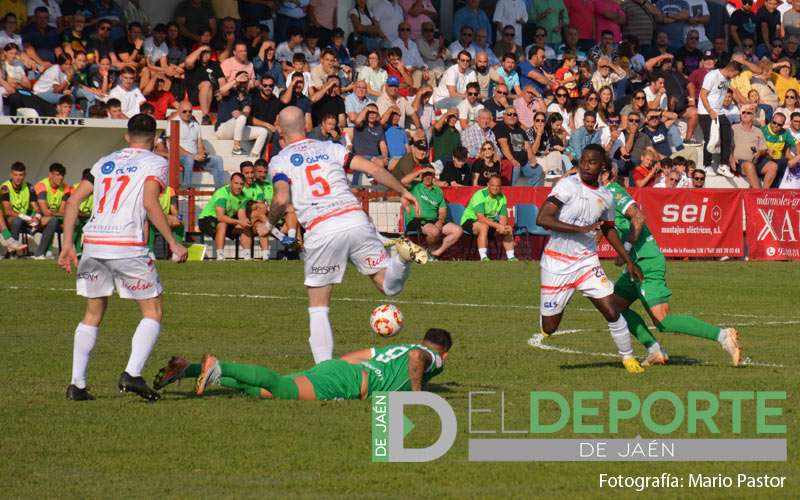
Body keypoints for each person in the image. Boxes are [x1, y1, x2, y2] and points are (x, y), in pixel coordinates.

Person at [267, 106, 427, 364]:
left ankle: (325, 373)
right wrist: (402, 191)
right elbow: (373, 169)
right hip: (355, 218)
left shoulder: (280, 160)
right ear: (306, 126)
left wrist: (268, 222)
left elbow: (282, 196)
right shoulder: (331, 147)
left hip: (322, 227)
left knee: (318, 305)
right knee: (387, 286)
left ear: (280, 130)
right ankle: (399, 258)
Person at [58, 114, 188, 401]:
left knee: (92, 313)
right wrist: (173, 243)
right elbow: (150, 202)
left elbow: (72, 202)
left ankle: (77, 385)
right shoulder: (156, 162)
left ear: (127, 137)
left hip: (93, 243)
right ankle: (132, 373)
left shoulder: (104, 161)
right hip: (126, 243)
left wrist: (67, 243)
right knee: (152, 311)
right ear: (154, 139)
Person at [600, 166, 742, 366]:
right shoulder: (599, 197)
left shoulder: (613, 191)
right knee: (614, 307)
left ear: (605, 174)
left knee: (663, 321)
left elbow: (638, 218)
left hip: (646, 262)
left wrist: (625, 249)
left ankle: (723, 335)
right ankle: (655, 350)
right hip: (634, 263)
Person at [535, 144, 645, 374]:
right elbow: (543, 218)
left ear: (602, 167)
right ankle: (562, 300)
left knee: (612, 310)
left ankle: (628, 357)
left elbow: (608, 229)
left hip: (586, 262)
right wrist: (580, 228)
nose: (585, 165)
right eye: (583, 160)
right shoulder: (567, 185)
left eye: (592, 162)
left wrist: (627, 259)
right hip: (557, 263)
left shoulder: (606, 196)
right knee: (550, 327)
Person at [153, 328, 452, 400]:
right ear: (444, 353)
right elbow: (418, 360)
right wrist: (417, 395)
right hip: (348, 382)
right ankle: (219, 367)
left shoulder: (402, 345)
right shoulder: (432, 358)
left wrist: (331, 370)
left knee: (262, 392)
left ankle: (188, 368)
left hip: (339, 370)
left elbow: (358, 355)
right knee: (282, 389)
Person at [401, 168, 463, 259]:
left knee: (457, 230)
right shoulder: (415, 186)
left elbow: (442, 210)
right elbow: (403, 181)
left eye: (429, 175)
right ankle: (428, 252)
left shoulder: (438, 191)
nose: (427, 177)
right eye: (425, 175)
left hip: (434, 220)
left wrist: (440, 221)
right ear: (422, 176)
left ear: (433, 176)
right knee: (434, 231)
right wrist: (420, 171)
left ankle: (436, 253)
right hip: (418, 220)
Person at [198, 172, 255, 261]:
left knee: (245, 226)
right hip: (207, 219)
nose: (239, 186)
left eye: (241, 184)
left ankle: (247, 256)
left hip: (224, 219)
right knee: (222, 224)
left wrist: (244, 222)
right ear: (230, 183)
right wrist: (239, 222)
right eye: (236, 183)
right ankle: (220, 256)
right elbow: (220, 217)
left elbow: (241, 217)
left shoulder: (244, 196)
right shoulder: (222, 193)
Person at [459, 175, 515, 261]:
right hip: (470, 221)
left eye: (498, 186)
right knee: (483, 226)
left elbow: (503, 217)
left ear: (501, 187)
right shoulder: (480, 195)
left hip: (489, 223)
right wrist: (497, 226)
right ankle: (483, 257)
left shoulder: (502, 197)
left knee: (508, 228)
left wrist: (502, 227)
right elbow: (480, 218)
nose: (495, 188)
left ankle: (511, 257)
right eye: (493, 185)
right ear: (488, 185)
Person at [216, 70, 269, 157]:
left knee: (263, 131)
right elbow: (221, 90)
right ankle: (236, 148)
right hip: (223, 129)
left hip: (238, 130)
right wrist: (236, 80)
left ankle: (253, 156)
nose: (243, 84)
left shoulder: (248, 97)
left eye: (245, 81)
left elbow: (246, 112)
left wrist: (241, 113)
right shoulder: (231, 92)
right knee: (242, 118)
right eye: (242, 81)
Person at [175, 102, 225, 189]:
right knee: (189, 159)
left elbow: (200, 144)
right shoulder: (174, 122)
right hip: (179, 156)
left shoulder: (196, 125)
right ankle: (185, 188)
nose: (188, 114)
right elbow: (174, 146)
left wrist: (202, 153)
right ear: (179, 111)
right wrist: (193, 156)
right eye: (184, 111)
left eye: (190, 111)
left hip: (195, 157)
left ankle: (219, 191)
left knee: (218, 160)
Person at [731, 105, 778, 189]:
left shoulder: (758, 131)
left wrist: (760, 152)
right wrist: (730, 158)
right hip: (740, 162)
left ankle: (764, 192)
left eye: (748, 113)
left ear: (753, 117)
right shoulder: (733, 128)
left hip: (756, 161)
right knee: (749, 166)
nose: (745, 114)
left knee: (773, 166)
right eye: (743, 112)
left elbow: (764, 149)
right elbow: (726, 146)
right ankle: (758, 194)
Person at [31, 162, 70, 259]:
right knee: (53, 220)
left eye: (62, 175)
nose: (61, 177)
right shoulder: (42, 185)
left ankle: (73, 253)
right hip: (36, 217)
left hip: (53, 218)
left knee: (73, 223)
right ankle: (40, 253)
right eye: (57, 174)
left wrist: (59, 214)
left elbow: (62, 210)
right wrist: (57, 213)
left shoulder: (66, 188)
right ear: (50, 175)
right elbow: (45, 212)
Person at [0, 161, 42, 253]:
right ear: (11, 174)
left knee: (52, 221)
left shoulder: (29, 187)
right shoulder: (5, 187)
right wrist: (27, 218)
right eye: (15, 175)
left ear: (25, 175)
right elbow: (8, 211)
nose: (18, 178)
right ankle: (13, 250)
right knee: (17, 220)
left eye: (21, 175)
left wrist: (37, 217)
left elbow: (37, 208)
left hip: (23, 217)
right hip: (8, 219)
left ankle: (41, 253)